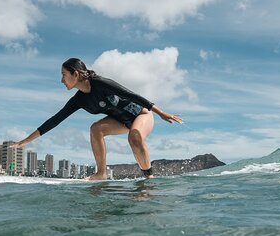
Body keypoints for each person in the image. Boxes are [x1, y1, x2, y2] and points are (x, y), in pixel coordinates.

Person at [10, 58, 183, 180]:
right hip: (122, 121)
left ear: (75, 74)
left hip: (142, 114)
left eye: (64, 74)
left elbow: (130, 94)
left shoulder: (100, 83)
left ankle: (148, 178)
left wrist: (161, 113)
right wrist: (23, 142)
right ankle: (101, 173)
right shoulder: (78, 100)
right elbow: (55, 120)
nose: (61, 79)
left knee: (135, 137)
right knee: (96, 129)